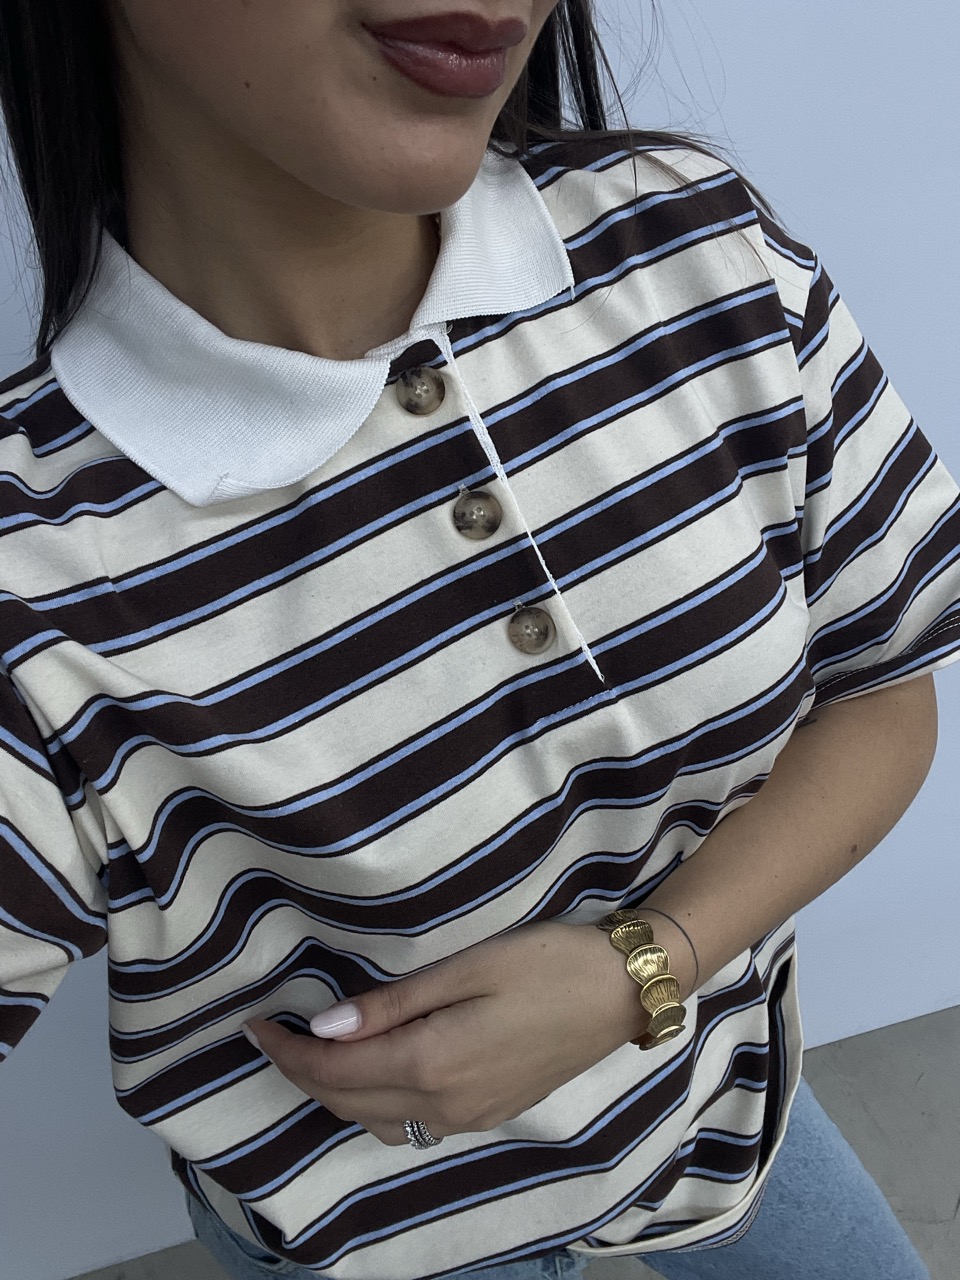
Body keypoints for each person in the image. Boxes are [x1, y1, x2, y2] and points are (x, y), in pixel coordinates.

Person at [0, 3, 955, 1278]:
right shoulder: (37, 564)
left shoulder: (696, 248)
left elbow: (882, 688)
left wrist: (639, 968)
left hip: (723, 1106)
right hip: (379, 1235)